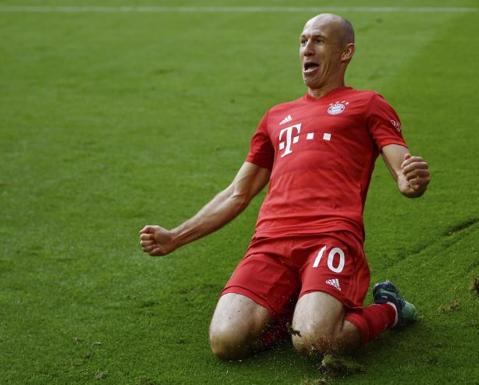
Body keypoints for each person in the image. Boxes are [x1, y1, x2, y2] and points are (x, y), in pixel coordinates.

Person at [139, 13, 431, 360]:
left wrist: (409, 181)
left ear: (345, 52)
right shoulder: (277, 116)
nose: (307, 47)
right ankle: (296, 306)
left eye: (319, 40)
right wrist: (176, 236)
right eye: (303, 40)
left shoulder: (367, 103)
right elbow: (238, 192)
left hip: (330, 236)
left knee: (316, 342)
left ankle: (390, 309)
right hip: (271, 241)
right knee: (225, 342)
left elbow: (402, 168)